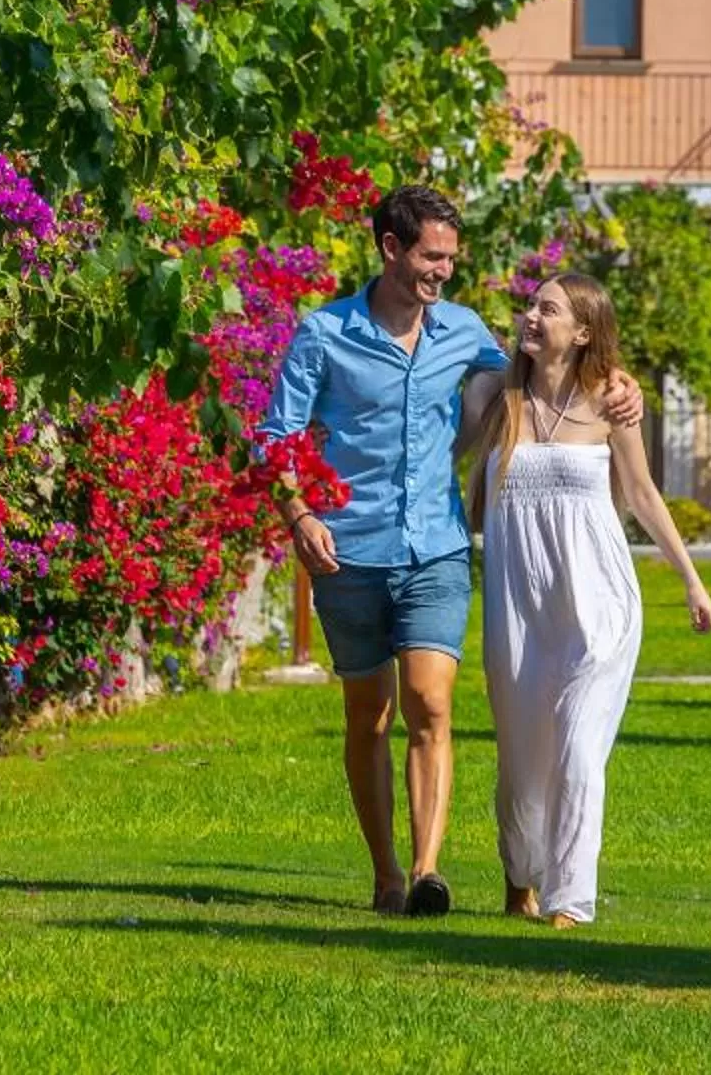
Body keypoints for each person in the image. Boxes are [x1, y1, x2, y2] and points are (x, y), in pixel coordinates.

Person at [262, 185, 640, 918]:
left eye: (450, 260)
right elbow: (274, 438)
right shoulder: (324, 334)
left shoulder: (463, 332)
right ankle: (386, 875)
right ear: (391, 249)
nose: (443, 272)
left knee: (431, 704)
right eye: (432, 257)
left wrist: (620, 386)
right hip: (347, 549)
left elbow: (544, 369)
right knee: (369, 715)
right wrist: (299, 513)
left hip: (434, 547)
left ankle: (430, 871)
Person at [460, 272, 711, 930]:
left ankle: (571, 897)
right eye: (531, 305)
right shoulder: (497, 396)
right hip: (520, 606)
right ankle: (522, 874)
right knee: (522, 761)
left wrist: (690, 579)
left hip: (599, 598)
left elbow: (642, 494)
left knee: (578, 750)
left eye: (548, 309)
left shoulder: (609, 402)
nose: (531, 316)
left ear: (582, 332)